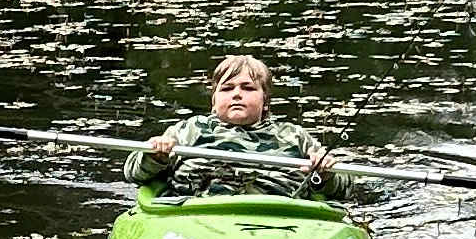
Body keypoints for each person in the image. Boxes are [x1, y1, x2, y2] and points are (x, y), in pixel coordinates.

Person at [132, 52, 350, 199]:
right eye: (227, 89)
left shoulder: (294, 136)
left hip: (280, 221)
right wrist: (155, 156)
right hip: (198, 215)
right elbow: (133, 173)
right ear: (214, 100)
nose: (237, 94)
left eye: (248, 88)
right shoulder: (188, 130)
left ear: (265, 101)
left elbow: (345, 189)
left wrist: (325, 174)